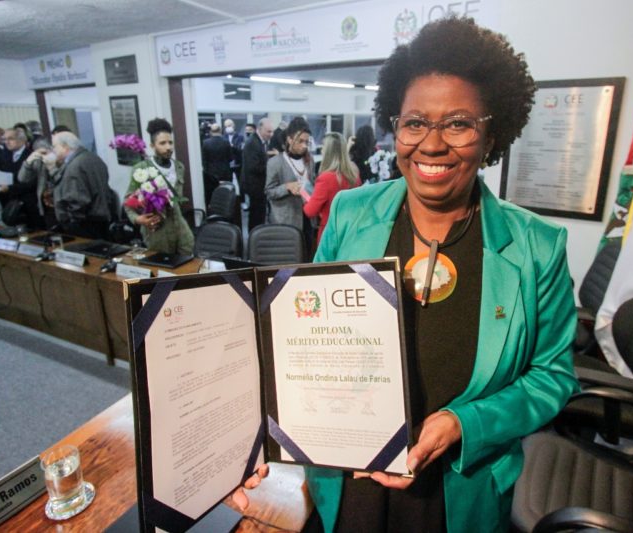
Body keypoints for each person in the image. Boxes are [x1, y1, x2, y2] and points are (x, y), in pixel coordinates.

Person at [238, 17, 578, 533]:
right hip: (351, 471)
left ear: (491, 133)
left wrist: (465, 423)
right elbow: (300, 341)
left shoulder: (536, 247)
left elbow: (552, 376)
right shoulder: (351, 215)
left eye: (458, 123)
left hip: (457, 486)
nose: (432, 144)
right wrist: (252, 442)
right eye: (415, 122)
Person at [124, 118, 194, 255]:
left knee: (187, 263)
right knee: (162, 269)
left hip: (180, 227)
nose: (168, 147)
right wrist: (138, 219)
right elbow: (128, 202)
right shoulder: (141, 169)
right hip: (157, 231)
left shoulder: (179, 167)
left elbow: (176, 200)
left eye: (170, 142)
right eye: (162, 143)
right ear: (152, 145)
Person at [50, 131, 113, 239]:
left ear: (65, 146)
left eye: (55, 146)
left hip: (84, 223)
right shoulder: (93, 157)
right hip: (102, 217)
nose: (53, 150)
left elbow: (77, 200)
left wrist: (69, 222)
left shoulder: (74, 166)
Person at [303, 131, 360, 246]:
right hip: (350, 232)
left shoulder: (326, 178)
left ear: (329, 151)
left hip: (330, 234)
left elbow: (310, 211)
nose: (322, 149)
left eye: (323, 147)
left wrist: (303, 194)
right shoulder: (354, 175)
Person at [264, 117, 315, 241]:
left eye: (306, 142)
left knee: (308, 253)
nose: (304, 146)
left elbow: (312, 183)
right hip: (286, 219)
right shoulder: (275, 162)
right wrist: (287, 187)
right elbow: (269, 192)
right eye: (300, 141)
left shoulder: (309, 160)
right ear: (289, 139)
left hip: (308, 217)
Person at [17, 138, 59, 229]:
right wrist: (28, 162)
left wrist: (52, 167)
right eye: (41, 153)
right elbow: (22, 179)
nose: (44, 156)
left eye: (46, 153)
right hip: (46, 206)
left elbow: (61, 181)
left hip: (60, 204)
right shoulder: (40, 162)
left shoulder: (61, 160)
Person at [241, 117, 274, 231]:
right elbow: (253, 167)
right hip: (255, 186)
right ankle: (254, 238)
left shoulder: (259, 141)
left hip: (258, 185)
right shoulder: (253, 143)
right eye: (268, 131)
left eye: (272, 131)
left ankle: (257, 235)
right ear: (260, 129)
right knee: (256, 215)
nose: (271, 134)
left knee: (259, 214)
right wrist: (271, 168)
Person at [201, 123, 233, 206]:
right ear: (221, 131)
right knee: (225, 196)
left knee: (213, 197)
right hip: (225, 173)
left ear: (211, 132)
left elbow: (204, 160)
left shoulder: (205, 143)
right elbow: (230, 158)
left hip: (211, 175)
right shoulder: (226, 142)